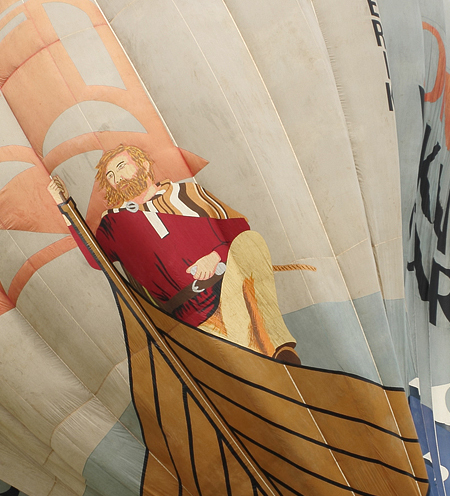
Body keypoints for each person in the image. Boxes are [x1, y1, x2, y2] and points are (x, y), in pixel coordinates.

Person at [75, 146, 301, 363]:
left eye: (122, 166)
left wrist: (214, 256)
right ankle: (268, 360)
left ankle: (280, 350)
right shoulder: (114, 221)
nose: (119, 178)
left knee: (252, 243)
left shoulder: (187, 193)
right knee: (245, 348)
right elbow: (97, 260)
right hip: (189, 314)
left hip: (231, 288)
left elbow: (239, 228)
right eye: (112, 175)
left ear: (143, 164)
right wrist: (65, 210)